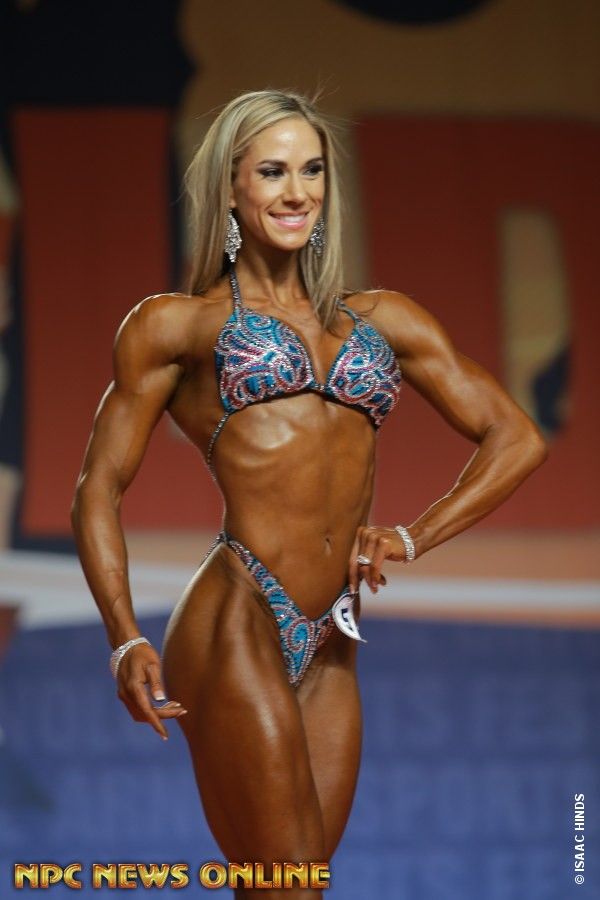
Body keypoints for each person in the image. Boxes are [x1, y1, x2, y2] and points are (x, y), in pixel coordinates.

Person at [70, 89, 548, 897]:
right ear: (231, 187)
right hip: (237, 614)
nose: (297, 192)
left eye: (312, 170)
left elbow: (517, 437)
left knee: (286, 888)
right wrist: (122, 638)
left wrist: (413, 534)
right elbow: (97, 487)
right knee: (290, 884)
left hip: (333, 639)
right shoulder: (175, 325)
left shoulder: (384, 320)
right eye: (272, 171)